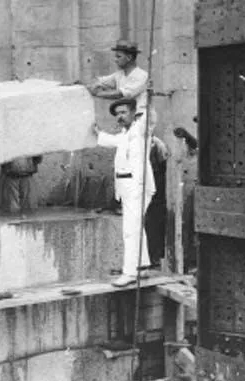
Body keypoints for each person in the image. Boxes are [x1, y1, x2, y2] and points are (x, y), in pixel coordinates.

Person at [94, 98, 155, 287]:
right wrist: (97, 133)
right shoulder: (124, 134)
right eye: (117, 113)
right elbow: (110, 141)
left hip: (137, 185)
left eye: (123, 112)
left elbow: (150, 117)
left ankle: (129, 273)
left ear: (133, 112)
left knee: (131, 230)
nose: (120, 116)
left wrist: (145, 97)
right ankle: (142, 266)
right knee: (136, 227)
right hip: (126, 187)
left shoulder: (140, 130)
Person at [86, 39, 155, 130]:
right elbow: (100, 81)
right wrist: (93, 85)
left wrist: (97, 93)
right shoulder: (119, 74)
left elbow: (122, 94)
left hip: (141, 119)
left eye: (118, 57)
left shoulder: (141, 75)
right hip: (127, 118)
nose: (115, 60)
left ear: (129, 57)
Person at [145, 136, 170, 267]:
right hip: (146, 185)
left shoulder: (156, 143)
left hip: (157, 185)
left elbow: (164, 166)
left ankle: (156, 258)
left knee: (155, 223)